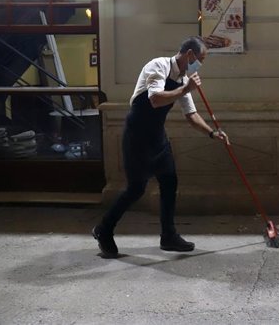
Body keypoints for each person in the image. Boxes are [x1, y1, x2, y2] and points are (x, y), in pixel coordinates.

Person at [92, 36, 226, 258]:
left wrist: (212, 133)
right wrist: (186, 89)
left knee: (169, 182)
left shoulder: (183, 79)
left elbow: (191, 116)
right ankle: (103, 229)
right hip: (137, 136)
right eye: (200, 59)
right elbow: (155, 99)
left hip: (157, 137)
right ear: (189, 54)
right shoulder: (158, 65)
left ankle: (168, 236)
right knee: (136, 189)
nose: (201, 64)